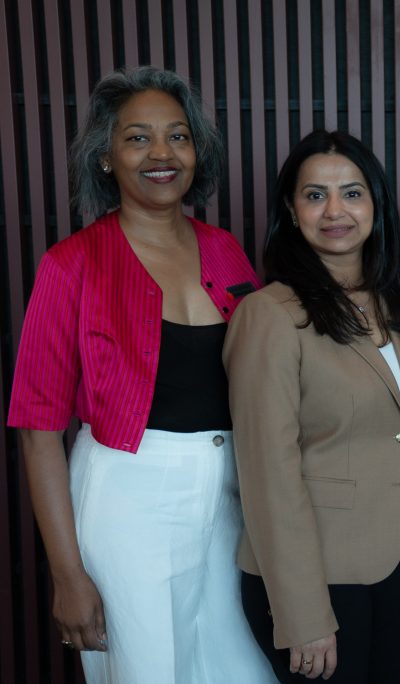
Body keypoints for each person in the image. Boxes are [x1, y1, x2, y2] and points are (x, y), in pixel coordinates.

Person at [6, 66, 274, 682]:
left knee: (242, 670)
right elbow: (37, 430)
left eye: (177, 136)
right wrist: (68, 575)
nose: (161, 154)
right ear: (106, 156)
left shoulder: (225, 249)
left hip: (232, 495)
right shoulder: (69, 265)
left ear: (196, 151)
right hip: (129, 503)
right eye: (137, 137)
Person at [224, 129, 400, 683]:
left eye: (352, 193)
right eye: (315, 195)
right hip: (318, 578)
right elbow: (268, 473)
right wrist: (301, 612)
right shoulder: (269, 315)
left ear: (376, 205)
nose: (335, 210)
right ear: (291, 212)